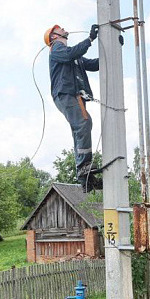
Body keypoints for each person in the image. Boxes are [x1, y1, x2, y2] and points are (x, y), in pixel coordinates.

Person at [44, 23, 102, 191]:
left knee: (84, 124)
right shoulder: (57, 48)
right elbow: (71, 53)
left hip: (74, 96)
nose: (62, 28)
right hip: (66, 93)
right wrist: (90, 39)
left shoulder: (73, 57)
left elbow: (92, 64)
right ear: (54, 36)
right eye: (58, 28)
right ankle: (84, 169)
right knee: (83, 124)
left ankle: (86, 175)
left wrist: (115, 51)